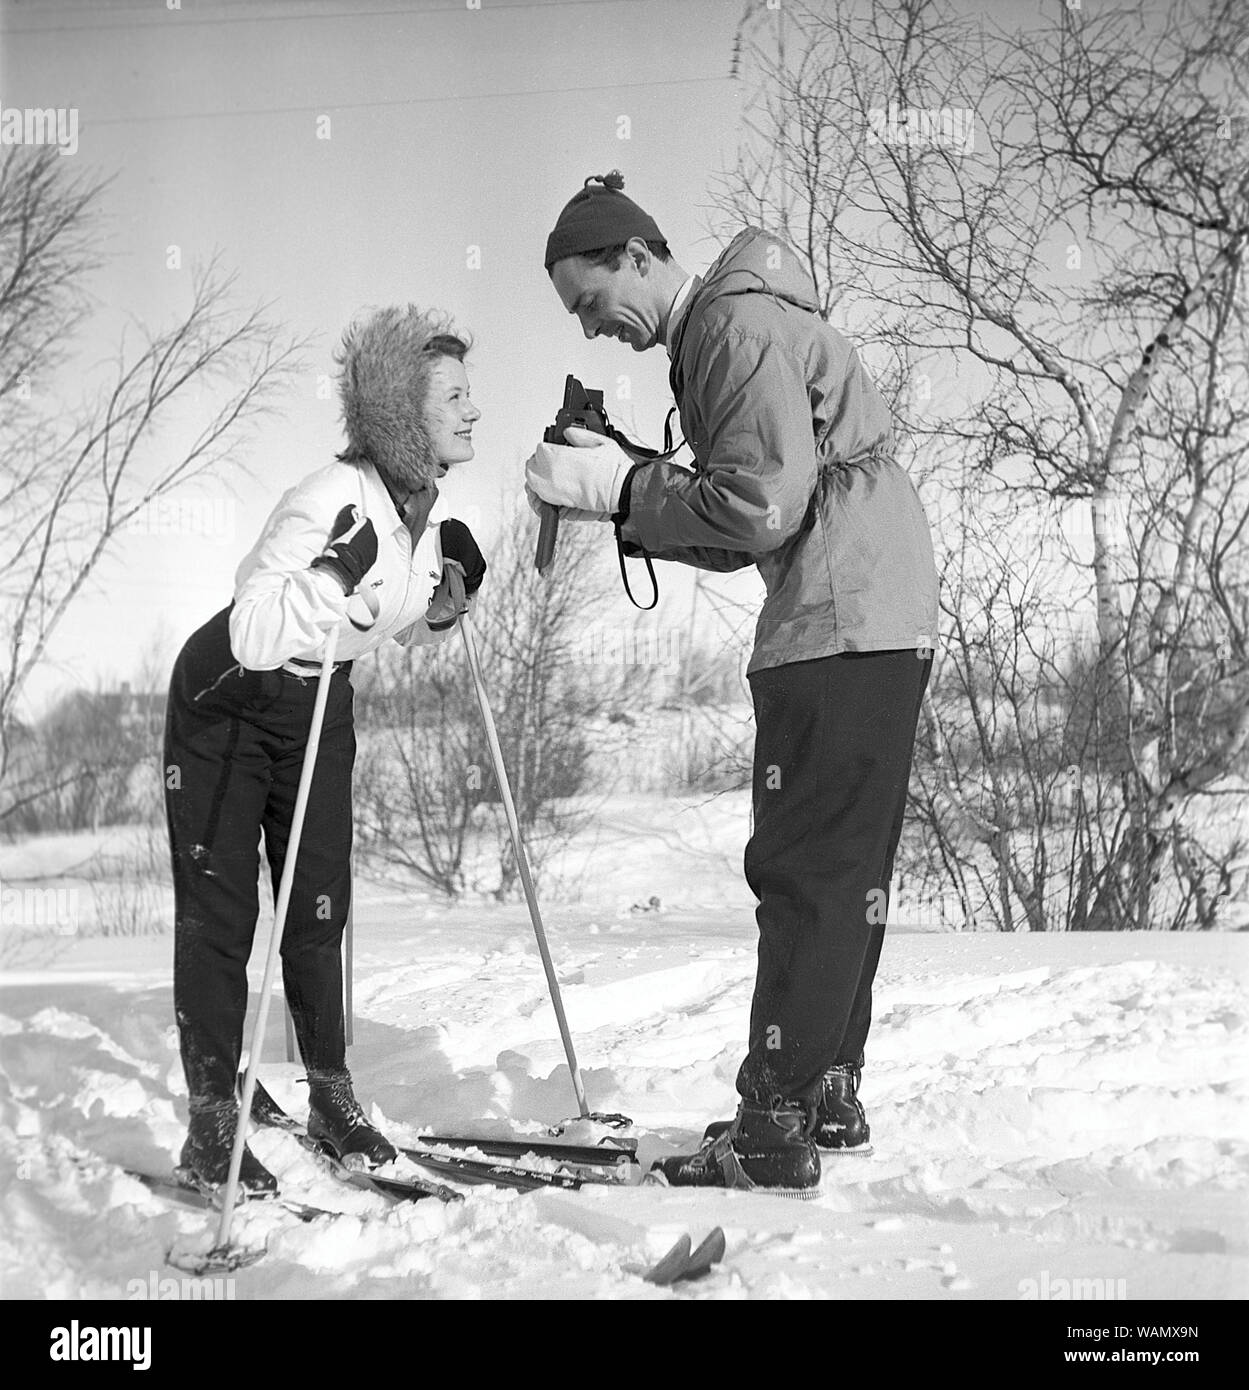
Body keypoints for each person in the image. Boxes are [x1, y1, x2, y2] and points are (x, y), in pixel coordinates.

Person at [526, 172, 938, 1196]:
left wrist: (621, 489)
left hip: (835, 614)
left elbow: (755, 505)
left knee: (804, 868)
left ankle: (770, 1126)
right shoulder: (744, 321)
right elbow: (747, 507)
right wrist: (621, 479)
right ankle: (823, 1089)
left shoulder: (726, 325)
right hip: (877, 602)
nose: (592, 328)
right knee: (848, 869)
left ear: (633, 254)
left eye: (588, 300)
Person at [165, 306, 485, 1195]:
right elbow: (255, 631)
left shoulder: (424, 507)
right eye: (453, 396)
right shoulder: (324, 500)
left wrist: (443, 604)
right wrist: (335, 569)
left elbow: (387, 627)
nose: (472, 411)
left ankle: (331, 1094)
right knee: (223, 914)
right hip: (228, 700)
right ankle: (211, 1119)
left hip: (320, 699)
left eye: (470, 394)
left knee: (318, 906)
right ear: (397, 410)